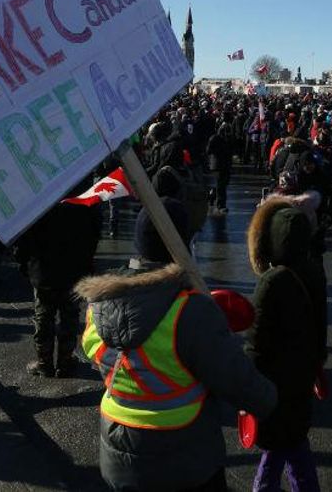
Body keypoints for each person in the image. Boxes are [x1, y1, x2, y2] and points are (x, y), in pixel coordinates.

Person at [75, 197, 277, 492]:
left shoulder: (99, 304)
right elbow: (235, 377)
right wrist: (270, 400)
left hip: (118, 453)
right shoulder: (188, 310)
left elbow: (94, 352)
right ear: (184, 244)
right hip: (183, 454)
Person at [246, 195, 324, 492]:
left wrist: (246, 380)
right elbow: (320, 322)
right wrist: (317, 363)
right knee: (293, 438)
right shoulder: (314, 269)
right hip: (302, 371)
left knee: (279, 441)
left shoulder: (272, 281)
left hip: (274, 377)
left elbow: (256, 339)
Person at [13, 201, 101, 377]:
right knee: (69, 316)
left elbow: (23, 240)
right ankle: (65, 360)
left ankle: (44, 362)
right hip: (74, 269)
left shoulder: (38, 202)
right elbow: (94, 234)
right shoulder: (83, 202)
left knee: (44, 316)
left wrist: (24, 264)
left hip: (43, 270)